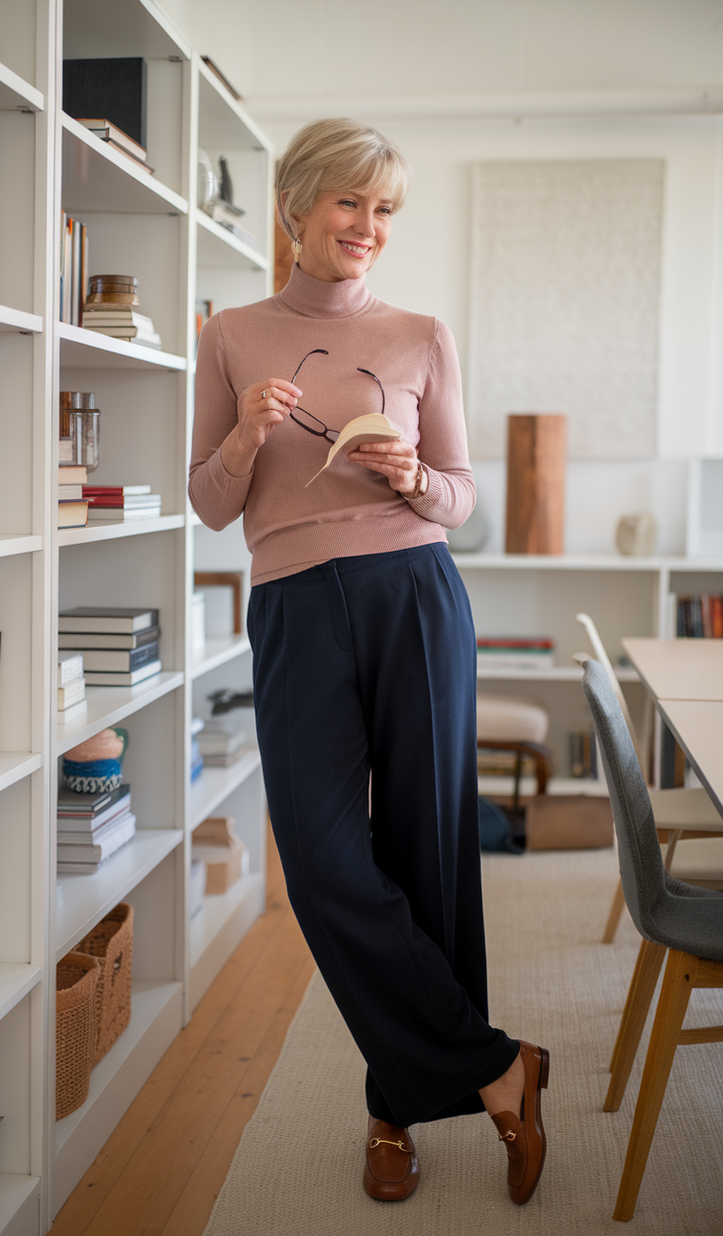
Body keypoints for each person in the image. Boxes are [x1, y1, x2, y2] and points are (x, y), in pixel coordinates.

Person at [189, 117, 549, 1207]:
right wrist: (250, 431)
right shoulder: (230, 336)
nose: (367, 227)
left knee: (427, 850)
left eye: (385, 209)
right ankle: (495, 1068)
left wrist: (406, 479)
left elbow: (460, 496)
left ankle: (391, 1111)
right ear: (296, 208)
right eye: (349, 203)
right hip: (295, 606)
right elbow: (210, 505)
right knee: (324, 861)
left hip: (414, 595)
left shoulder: (420, 334)